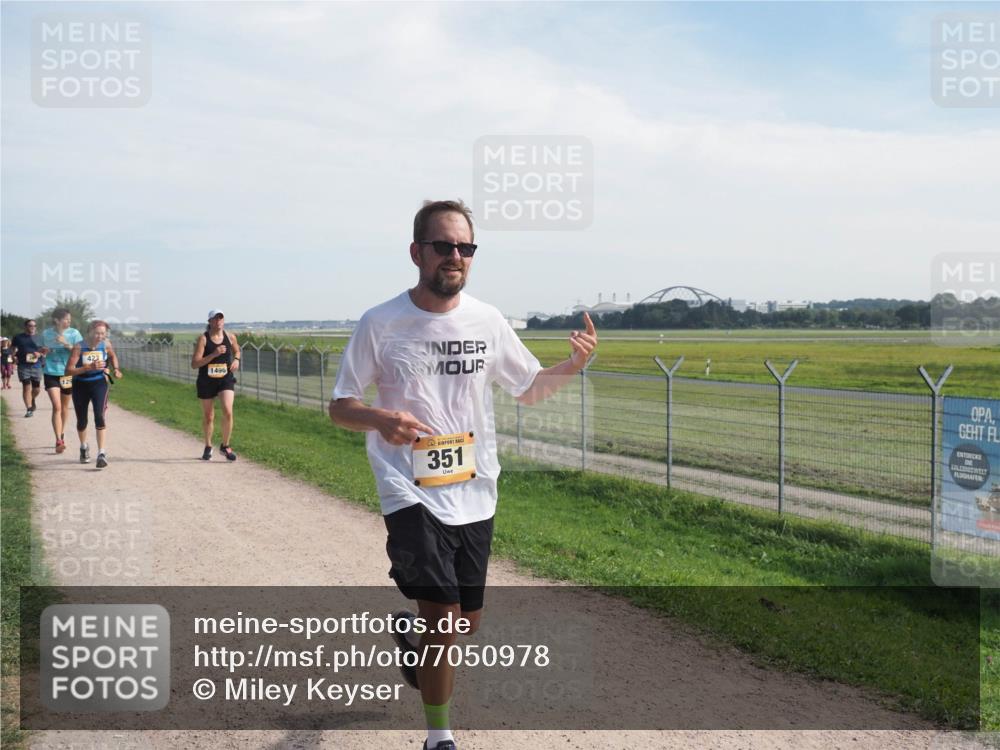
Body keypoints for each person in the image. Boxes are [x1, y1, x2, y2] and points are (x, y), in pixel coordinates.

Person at [328, 200, 597, 750]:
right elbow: (340, 407)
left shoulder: (487, 320)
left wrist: (572, 365)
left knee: (462, 624)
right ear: (416, 252)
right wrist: (381, 419)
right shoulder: (380, 323)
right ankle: (439, 737)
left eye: (465, 247)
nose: (456, 256)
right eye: (444, 245)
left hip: (474, 489)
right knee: (444, 617)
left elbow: (528, 389)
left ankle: (416, 646)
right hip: (409, 488)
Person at [65, 320, 122, 468]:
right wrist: (87, 367)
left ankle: (101, 453)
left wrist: (116, 369)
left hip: (99, 384)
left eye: (103, 334)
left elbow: (112, 356)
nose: (100, 336)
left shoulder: (106, 344)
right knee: (82, 420)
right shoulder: (79, 347)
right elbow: (68, 370)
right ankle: (84, 447)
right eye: (97, 333)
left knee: (99, 416)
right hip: (80, 385)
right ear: (90, 331)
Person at [191, 309, 240, 461]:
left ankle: (225, 446)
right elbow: (195, 364)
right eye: (215, 318)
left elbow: (237, 351)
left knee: (228, 411)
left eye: (221, 318)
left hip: (225, 379)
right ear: (210, 321)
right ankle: (208, 446)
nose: (218, 321)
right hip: (206, 380)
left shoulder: (230, 337)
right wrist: (214, 354)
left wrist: (236, 359)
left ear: (223, 321)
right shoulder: (203, 339)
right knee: (209, 416)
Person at [41, 308, 83, 454]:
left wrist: (66, 343)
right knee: (57, 406)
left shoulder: (74, 333)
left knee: (65, 407)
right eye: (66, 319)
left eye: (70, 320)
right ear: (57, 320)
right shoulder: (46, 333)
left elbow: (80, 352)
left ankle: (62, 432)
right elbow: (41, 350)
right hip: (51, 373)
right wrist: (43, 351)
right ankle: (58, 440)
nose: (69, 322)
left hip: (67, 374)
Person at [11, 319, 47, 418]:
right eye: (30, 325)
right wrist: (13, 357)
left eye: (34, 326)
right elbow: (12, 349)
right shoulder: (18, 337)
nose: (33, 327)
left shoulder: (40, 338)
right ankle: (29, 409)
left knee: (37, 389)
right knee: (26, 386)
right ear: (25, 326)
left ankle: (32, 399)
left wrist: (39, 353)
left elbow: (45, 350)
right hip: (23, 365)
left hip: (37, 365)